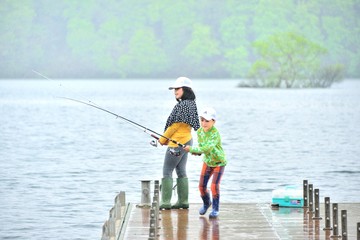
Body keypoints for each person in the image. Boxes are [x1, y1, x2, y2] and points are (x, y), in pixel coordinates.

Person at [158, 77, 200, 210]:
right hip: (187, 140)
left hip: (176, 144)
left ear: (185, 90)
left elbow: (174, 127)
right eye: (174, 89)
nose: (175, 91)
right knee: (181, 171)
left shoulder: (181, 105)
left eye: (177, 89)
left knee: (167, 171)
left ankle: (165, 202)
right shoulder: (192, 104)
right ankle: (183, 201)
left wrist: (162, 140)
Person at [184, 107, 227, 218]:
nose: (204, 123)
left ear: (213, 121)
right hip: (208, 162)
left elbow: (207, 148)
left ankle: (215, 209)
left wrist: (192, 149)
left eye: (207, 121)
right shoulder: (199, 132)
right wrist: (197, 152)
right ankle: (207, 203)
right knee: (201, 186)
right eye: (202, 120)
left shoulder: (215, 134)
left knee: (214, 186)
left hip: (219, 162)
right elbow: (202, 147)